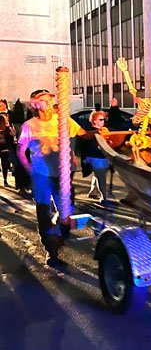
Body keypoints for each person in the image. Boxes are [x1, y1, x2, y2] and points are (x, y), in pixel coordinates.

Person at [17, 89, 85, 267]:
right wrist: (31, 171)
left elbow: (83, 134)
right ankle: (52, 252)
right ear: (34, 104)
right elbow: (20, 151)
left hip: (62, 175)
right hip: (42, 177)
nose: (47, 102)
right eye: (43, 99)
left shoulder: (63, 121)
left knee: (67, 211)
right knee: (43, 213)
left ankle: (59, 237)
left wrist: (102, 132)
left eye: (49, 99)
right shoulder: (29, 125)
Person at [78, 111, 110, 202]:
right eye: (101, 119)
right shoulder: (89, 131)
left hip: (101, 156)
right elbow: (86, 143)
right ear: (94, 121)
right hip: (95, 156)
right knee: (101, 175)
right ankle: (103, 196)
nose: (103, 121)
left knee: (98, 174)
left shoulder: (104, 130)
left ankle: (93, 191)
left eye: (104, 119)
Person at [0, 99, 16, 186]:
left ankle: (5, 179)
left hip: (7, 141)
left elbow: (13, 132)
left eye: (1, 105)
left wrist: (7, 124)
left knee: (5, 161)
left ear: (5, 105)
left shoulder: (11, 114)